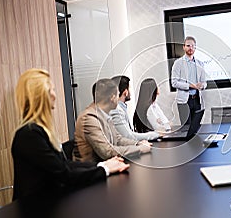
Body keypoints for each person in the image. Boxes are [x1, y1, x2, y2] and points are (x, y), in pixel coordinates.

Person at [12, 69, 130, 200]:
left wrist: (102, 165)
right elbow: (63, 174)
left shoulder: (39, 130)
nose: (54, 95)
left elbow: (64, 164)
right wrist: (105, 169)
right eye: (52, 90)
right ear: (41, 96)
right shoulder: (29, 135)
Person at [73, 78, 152, 162]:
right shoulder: (89, 118)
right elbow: (107, 152)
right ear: (112, 97)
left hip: (108, 165)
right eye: (118, 95)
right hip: (92, 170)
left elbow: (118, 139)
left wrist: (137, 143)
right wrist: (139, 149)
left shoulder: (104, 114)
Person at [171, 36, 207, 134]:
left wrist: (202, 85)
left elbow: (204, 83)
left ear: (195, 48)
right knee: (187, 129)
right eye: (188, 46)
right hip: (184, 101)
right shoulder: (178, 63)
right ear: (184, 47)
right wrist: (190, 86)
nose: (190, 48)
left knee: (195, 128)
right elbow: (174, 82)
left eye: (193, 46)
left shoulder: (200, 64)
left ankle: (196, 148)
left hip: (197, 100)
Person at [110, 75, 159, 140]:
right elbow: (128, 136)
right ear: (126, 92)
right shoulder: (116, 110)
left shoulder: (121, 108)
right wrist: (155, 134)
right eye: (129, 88)